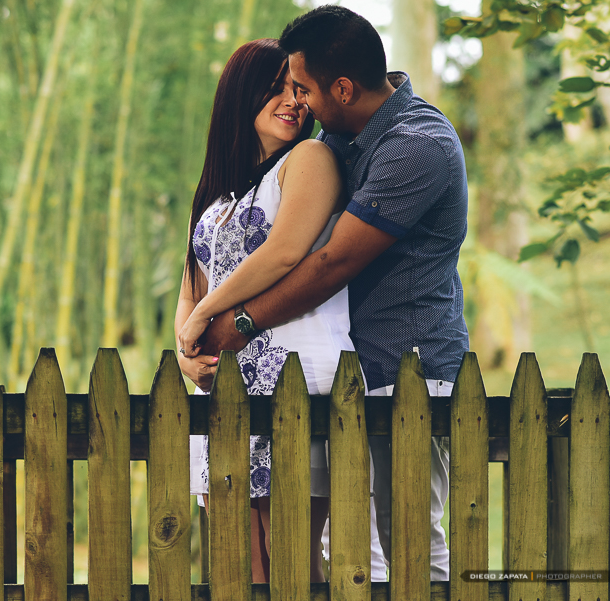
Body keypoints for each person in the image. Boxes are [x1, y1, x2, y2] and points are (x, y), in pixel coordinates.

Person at [190, 6, 470, 582]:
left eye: (303, 89)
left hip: (408, 369)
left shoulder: (416, 144)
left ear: (342, 88)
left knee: (410, 538)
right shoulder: (339, 136)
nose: (299, 103)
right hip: (349, 374)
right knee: (352, 557)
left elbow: (328, 263)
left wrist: (233, 326)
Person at [176, 37, 351, 583]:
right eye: (275, 89)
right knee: (237, 562)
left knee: (291, 554)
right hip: (225, 385)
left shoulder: (310, 159)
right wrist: (184, 353)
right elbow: (192, 287)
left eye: (299, 90)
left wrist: (205, 313)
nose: (293, 101)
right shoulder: (218, 194)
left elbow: (284, 253)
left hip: (295, 373)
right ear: (240, 97)